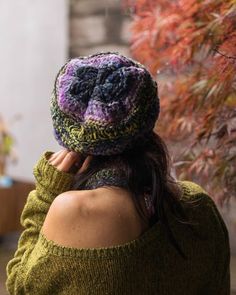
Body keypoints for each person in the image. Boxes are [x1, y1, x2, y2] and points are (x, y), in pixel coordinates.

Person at [6, 52, 230, 294]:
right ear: (146, 119)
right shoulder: (199, 205)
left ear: (70, 138)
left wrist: (45, 197)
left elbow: (21, 287)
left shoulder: (73, 211)